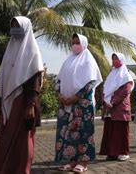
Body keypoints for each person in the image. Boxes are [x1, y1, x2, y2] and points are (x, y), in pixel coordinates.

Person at [0, 16, 44, 174]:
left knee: (22, 141)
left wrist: (30, 105)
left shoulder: (32, 53)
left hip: (23, 102)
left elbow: (34, 81)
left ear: (26, 28)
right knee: (5, 138)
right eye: (13, 26)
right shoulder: (9, 51)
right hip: (7, 102)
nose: (15, 30)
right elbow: (1, 79)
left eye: (18, 26)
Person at [54, 34, 103, 172]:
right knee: (69, 132)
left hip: (82, 105)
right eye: (73, 42)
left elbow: (91, 81)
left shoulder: (88, 61)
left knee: (83, 132)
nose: (75, 45)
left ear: (84, 44)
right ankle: (72, 160)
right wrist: (60, 95)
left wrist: (77, 97)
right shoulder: (68, 61)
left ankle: (83, 162)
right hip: (66, 104)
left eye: (78, 42)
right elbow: (58, 80)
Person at [100, 53, 134, 162]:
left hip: (120, 108)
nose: (114, 60)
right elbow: (105, 89)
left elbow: (125, 91)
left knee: (121, 131)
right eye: (113, 58)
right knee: (110, 131)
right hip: (109, 108)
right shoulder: (111, 74)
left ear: (122, 60)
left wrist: (113, 102)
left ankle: (123, 152)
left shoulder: (126, 75)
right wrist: (105, 101)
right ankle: (112, 153)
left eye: (116, 58)